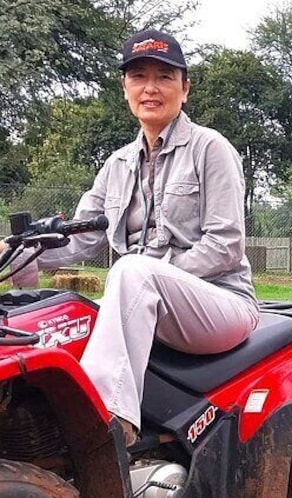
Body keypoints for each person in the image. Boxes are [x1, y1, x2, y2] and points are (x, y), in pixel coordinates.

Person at [11, 29, 260, 445]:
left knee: (131, 271)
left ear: (185, 88)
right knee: (61, 311)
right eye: (138, 76)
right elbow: (83, 238)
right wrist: (21, 254)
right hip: (142, 300)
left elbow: (226, 246)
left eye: (164, 76)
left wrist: (150, 274)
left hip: (221, 303)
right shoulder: (117, 165)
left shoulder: (210, 149)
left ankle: (104, 426)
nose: (150, 87)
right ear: (124, 87)